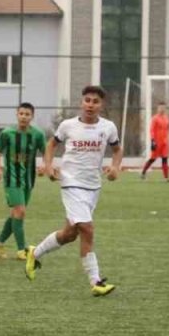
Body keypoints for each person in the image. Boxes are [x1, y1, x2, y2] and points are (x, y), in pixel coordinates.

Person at [25, 85, 122, 297]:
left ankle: (36, 252)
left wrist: (115, 167)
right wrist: (49, 166)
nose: (90, 104)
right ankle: (96, 281)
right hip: (70, 183)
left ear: (101, 105)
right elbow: (51, 145)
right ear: (81, 102)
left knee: (70, 234)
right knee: (87, 229)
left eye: (95, 101)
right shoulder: (68, 125)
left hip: (93, 186)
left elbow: (116, 149)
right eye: (87, 100)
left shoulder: (108, 127)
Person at [0, 102, 47, 262]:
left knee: (16, 213)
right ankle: (22, 250)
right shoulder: (7, 133)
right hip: (11, 178)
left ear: (32, 116)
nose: (24, 117)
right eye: (21, 113)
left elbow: (46, 153)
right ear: (17, 114)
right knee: (20, 211)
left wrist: (45, 165)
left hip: (28, 180)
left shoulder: (38, 134)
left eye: (27, 114)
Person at [140, 101, 169, 181]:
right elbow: (152, 130)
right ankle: (143, 172)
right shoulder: (155, 118)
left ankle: (166, 177)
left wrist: (167, 139)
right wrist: (153, 141)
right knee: (153, 159)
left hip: (165, 143)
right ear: (158, 108)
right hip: (157, 143)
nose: (162, 109)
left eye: (163, 107)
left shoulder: (166, 118)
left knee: (165, 159)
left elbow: (168, 129)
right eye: (160, 107)